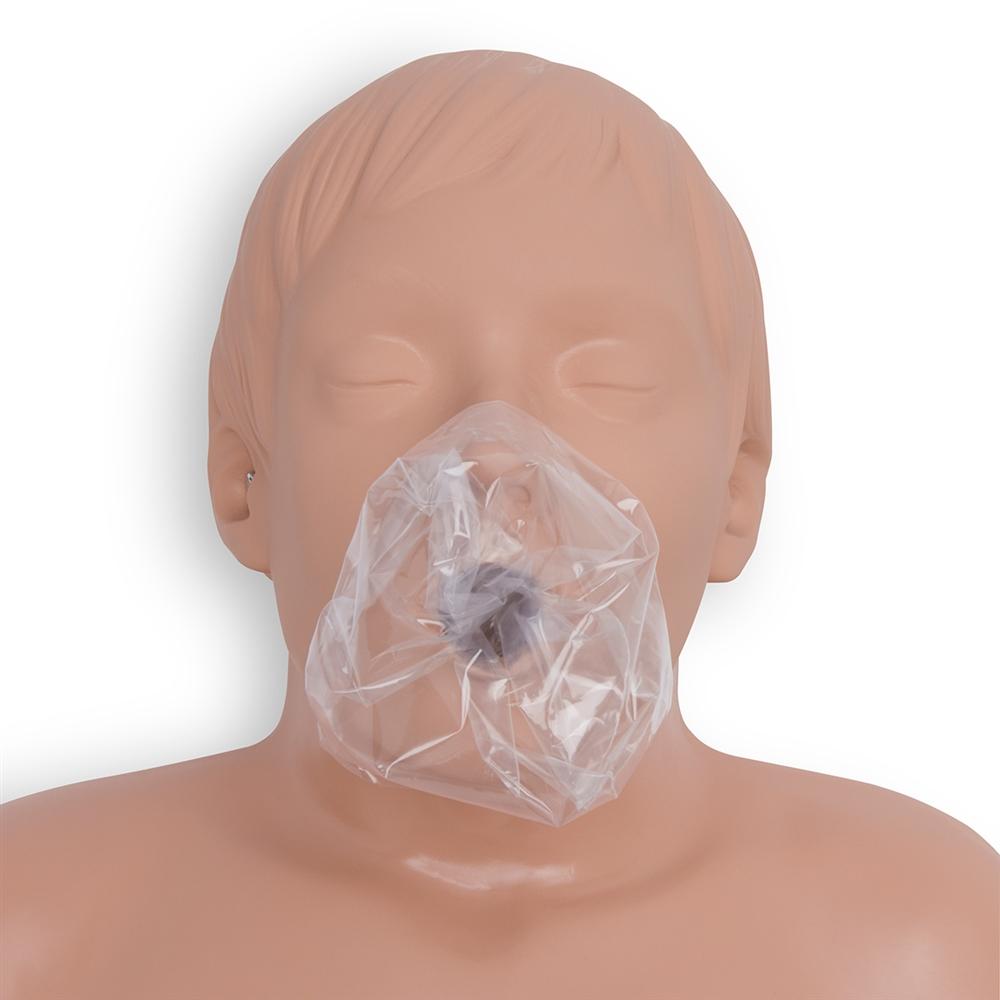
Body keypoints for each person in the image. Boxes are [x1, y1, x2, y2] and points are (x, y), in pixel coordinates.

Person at [3, 49, 996, 999]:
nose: (490, 459)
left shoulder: (924, 950)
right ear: (242, 482)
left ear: (738, 491)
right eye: (377, 373)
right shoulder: (39, 935)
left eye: (610, 378)